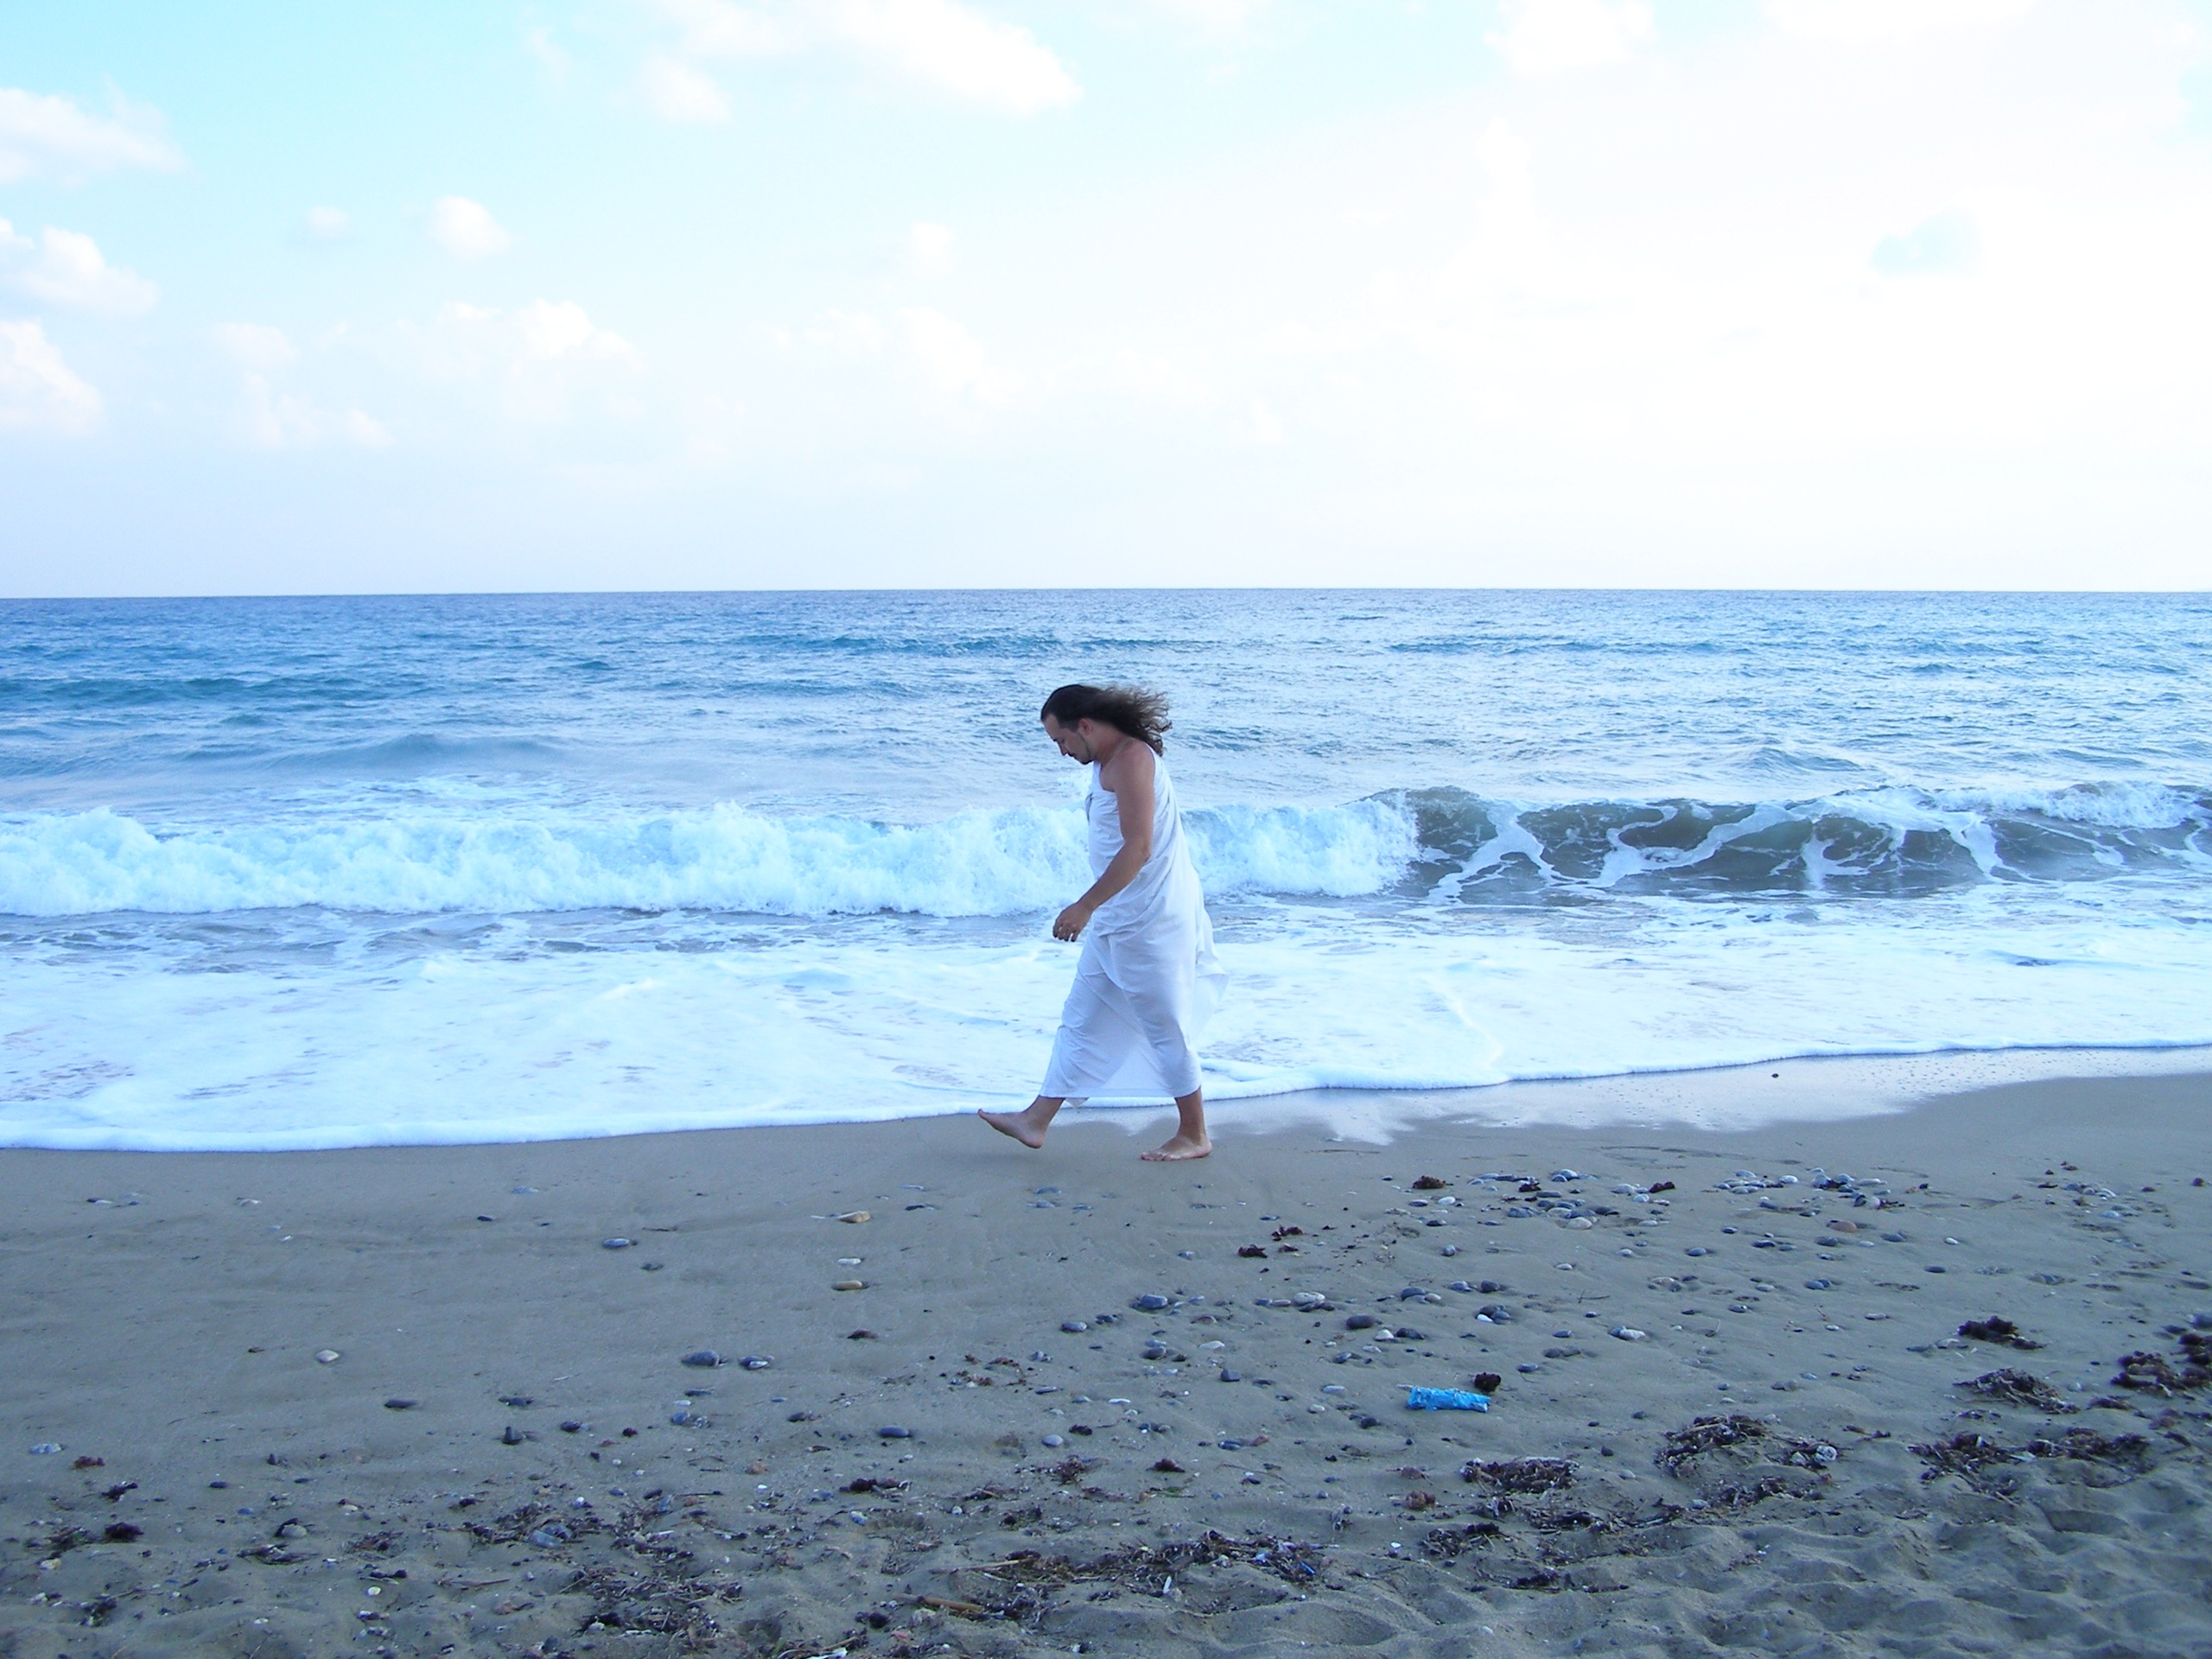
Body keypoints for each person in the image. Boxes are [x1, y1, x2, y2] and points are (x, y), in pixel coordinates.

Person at [980, 683, 1228, 1161]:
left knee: (1165, 1025)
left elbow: (1139, 847)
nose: (1061, 751)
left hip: (1151, 922)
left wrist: (1085, 906)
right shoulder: (1104, 762)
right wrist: (1099, 910)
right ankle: (1036, 1120)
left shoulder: (1132, 760)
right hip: (1118, 919)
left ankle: (1195, 1133)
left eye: (1062, 740)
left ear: (1085, 726)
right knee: (1082, 1016)